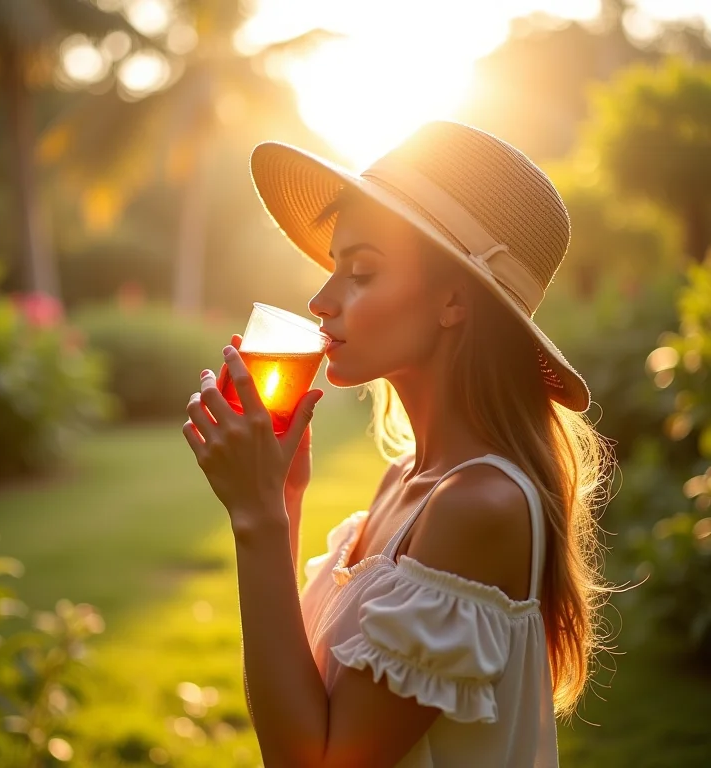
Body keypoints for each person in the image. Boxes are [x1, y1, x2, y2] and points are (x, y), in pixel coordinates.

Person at [182, 120, 615, 767]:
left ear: (452, 299)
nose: (320, 300)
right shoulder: (405, 484)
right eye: (334, 267)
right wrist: (282, 498)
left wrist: (258, 523)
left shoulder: (479, 507)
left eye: (360, 271)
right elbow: (303, 703)